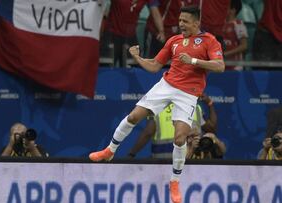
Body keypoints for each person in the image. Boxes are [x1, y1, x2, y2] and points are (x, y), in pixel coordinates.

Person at [89, 6, 224, 203]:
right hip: (166, 85)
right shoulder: (174, 40)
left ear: (196, 23)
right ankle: (109, 150)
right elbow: (154, 65)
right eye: (179, 20)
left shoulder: (209, 41)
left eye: (185, 21)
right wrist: (137, 57)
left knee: (179, 139)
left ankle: (175, 182)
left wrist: (194, 60)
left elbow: (220, 66)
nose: (181, 24)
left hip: (188, 94)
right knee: (134, 116)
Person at [128, 93, 217, 159]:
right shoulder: (195, 107)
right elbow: (211, 128)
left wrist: (132, 153)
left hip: (162, 160)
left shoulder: (157, 108)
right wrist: (210, 103)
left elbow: (148, 133)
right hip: (187, 160)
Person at [222, 0, 248, 71]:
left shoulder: (238, 24)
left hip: (236, 66)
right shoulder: (221, 24)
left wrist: (225, 54)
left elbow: (244, 46)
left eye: (226, 7)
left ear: (233, 10)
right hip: (223, 64)